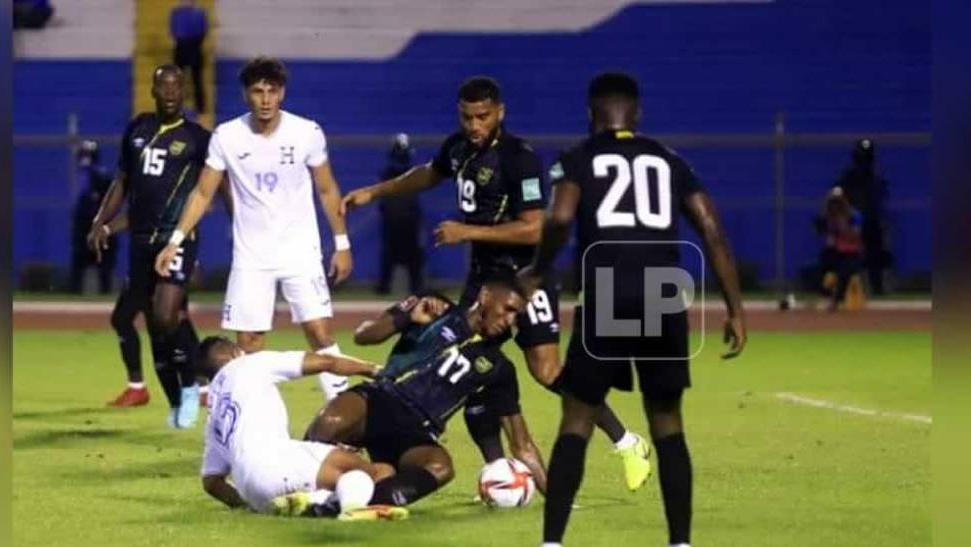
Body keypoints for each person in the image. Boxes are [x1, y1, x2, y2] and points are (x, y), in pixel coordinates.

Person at [340, 76, 652, 493]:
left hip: (526, 279)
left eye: (483, 116)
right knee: (468, 367)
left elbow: (532, 229)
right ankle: (499, 474)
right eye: (467, 116)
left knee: (546, 370)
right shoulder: (459, 148)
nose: (474, 125)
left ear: (500, 112)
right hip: (485, 280)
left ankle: (628, 443)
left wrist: (466, 232)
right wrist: (376, 191)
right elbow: (428, 174)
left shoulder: (518, 159)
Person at [516, 73, 747, 547]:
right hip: (664, 289)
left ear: (590, 113)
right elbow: (710, 226)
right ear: (636, 114)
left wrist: (537, 269)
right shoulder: (668, 158)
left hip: (609, 285)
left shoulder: (580, 157)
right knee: (667, 420)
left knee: (576, 417)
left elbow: (560, 217)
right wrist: (735, 307)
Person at [155, 56, 355, 405]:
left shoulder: (306, 132)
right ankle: (252, 417)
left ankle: (347, 414)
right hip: (252, 256)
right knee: (247, 344)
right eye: (257, 91)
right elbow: (203, 192)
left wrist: (341, 243)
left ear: (282, 94)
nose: (265, 99)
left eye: (272, 91)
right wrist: (175, 240)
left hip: (300, 251)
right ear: (246, 94)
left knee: (321, 333)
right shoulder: (227, 137)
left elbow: (327, 189)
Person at [304, 280, 543, 508]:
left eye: (516, 317)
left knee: (440, 467)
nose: (510, 320)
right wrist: (407, 317)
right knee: (330, 421)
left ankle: (363, 503)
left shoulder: (499, 368)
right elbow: (364, 336)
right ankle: (296, 480)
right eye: (508, 309)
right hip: (379, 397)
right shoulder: (435, 306)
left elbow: (521, 444)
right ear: (485, 295)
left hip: (416, 430)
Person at [86, 65, 210, 427]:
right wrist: (100, 221)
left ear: (184, 91)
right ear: (153, 90)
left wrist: (241, 222)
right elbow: (123, 183)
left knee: (166, 315)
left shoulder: (198, 138)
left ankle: (191, 385)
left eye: (177, 85)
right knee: (153, 322)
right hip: (142, 241)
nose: (171, 91)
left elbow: (211, 188)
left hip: (177, 238)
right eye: (163, 85)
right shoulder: (137, 130)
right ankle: (177, 394)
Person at [197, 337, 408, 521]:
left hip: (251, 491)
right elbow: (326, 362)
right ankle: (352, 509)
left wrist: (248, 504)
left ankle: (314, 500)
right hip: (278, 459)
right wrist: (374, 370)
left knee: (337, 479)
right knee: (378, 472)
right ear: (236, 352)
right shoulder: (249, 363)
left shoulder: (213, 410)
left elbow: (211, 482)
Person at [833, 138, 891, 294]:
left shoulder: (875, 179)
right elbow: (837, 199)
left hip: (871, 222)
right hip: (852, 224)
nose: (864, 162)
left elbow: (880, 200)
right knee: (848, 258)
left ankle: (877, 288)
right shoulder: (847, 178)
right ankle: (842, 290)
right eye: (861, 157)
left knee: (875, 255)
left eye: (867, 157)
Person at [375, 133, 424, 294]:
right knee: (389, 255)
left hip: (409, 220)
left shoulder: (413, 173)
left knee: (413, 257)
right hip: (393, 221)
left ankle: (416, 287)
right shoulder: (387, 174)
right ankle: (384, 286)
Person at [70, 141, 116, 295]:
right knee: (79, 263)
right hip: (84, 225)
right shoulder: (83, 174)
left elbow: (111, 201)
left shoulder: (101, 175)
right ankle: (75, 295)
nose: (85, 160)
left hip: (101, 224)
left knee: (104, 265)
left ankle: (105, 294)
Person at [817, 188, 864, 310]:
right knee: (824, 266)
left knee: (845, 272)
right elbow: (829, 236)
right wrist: (831, 237)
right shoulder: (830, 216)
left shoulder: (853, 215)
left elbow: (856, 235)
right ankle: (826, 294)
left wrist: (844, 226)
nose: (836, 205)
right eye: (833, 202)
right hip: (837, 251)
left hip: (851, 252)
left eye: (838, 201)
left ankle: (836, 300)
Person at [169, 0, 208, 115]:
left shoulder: (195, 13)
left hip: (189, 46)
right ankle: (196, 106)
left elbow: (174, 30)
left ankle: (199, 106)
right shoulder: (196, 13)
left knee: (195, 79)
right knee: (184, 80)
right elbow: (202, 30)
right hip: (188, 47)